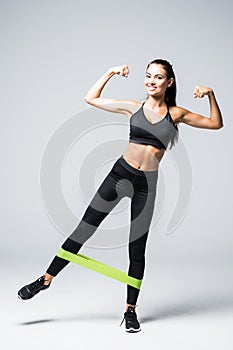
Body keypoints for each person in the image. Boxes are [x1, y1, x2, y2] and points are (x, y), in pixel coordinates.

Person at [17, 59, 223, 333]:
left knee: (137, 248)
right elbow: (91, 98)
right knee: (83, 229)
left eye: (158, 77)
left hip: (145, 185)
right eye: (148, 76)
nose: (151, 81)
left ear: (169, 82)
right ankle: (45, 279)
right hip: (119, 176)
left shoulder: (177, 114)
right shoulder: (133, 107)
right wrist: (111, 72)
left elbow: (215, 124)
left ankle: (130, 311)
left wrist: (210, 94)